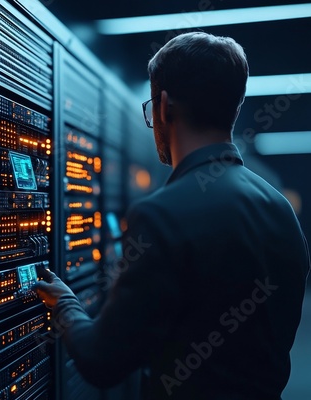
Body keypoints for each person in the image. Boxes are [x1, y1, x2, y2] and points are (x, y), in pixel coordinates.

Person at [33, 32, 310, 399]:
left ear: (163, 106)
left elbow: (102, 361)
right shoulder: (280, 211)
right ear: (236, 107)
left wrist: (65, 304)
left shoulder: (161, 214)